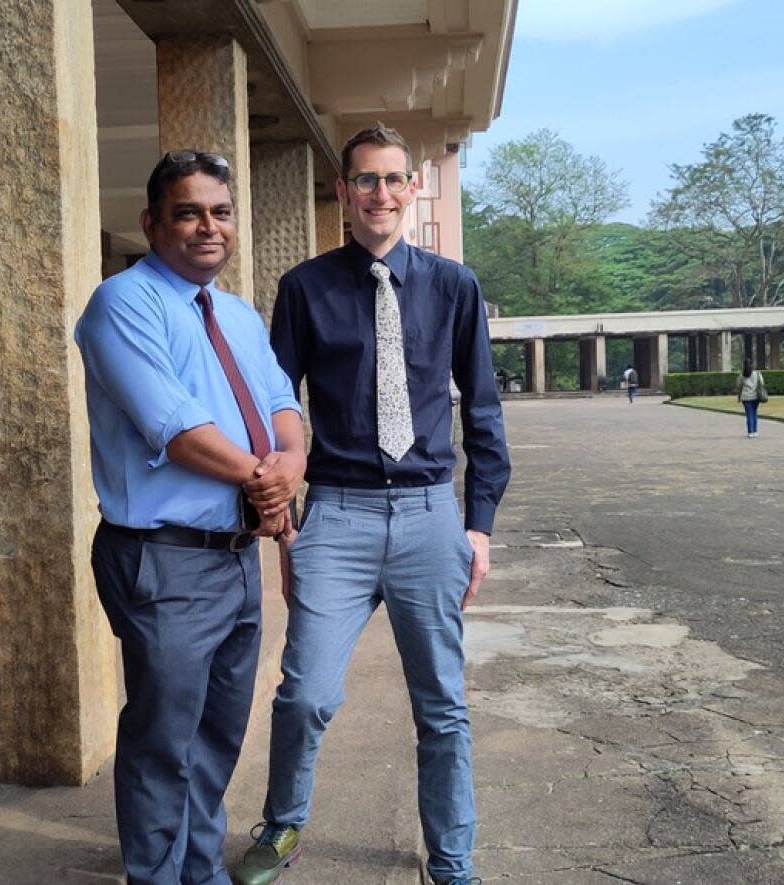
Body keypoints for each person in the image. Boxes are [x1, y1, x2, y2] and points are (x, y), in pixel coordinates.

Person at [231, 124, 510, 885]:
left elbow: (482, 414)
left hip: (428, 516)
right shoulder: (304, 288)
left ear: (413, 189)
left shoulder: (455, 287)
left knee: (443, 706)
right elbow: (271, 410)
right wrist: (283, 523)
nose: (379, 194)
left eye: (393, 180)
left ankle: (451, 860)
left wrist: (477, 528)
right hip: (338, 517)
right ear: (343, 192)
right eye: (365, 181)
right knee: (305, 695)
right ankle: (284, 824)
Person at [75, 150, 306, 884]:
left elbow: (282, 408)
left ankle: (199, 870)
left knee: (216, 737)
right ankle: (157, 876)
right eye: (189, 211)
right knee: (163, 740)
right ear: (152, 223)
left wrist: (288, 465)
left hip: (236, 557)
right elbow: (173, 426)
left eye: (221, 211)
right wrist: (263, 479)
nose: (209, 226)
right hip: (164, 557)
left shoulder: (236, 313)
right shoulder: (123, 304)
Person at [735, 359, 766, 438]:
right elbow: (762, 383)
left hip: (746, 397)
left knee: (749, 414)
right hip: (756, 397)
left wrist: (738, 397)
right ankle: (755, 431)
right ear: (752, 365)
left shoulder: (742, 375)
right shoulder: (757, 374)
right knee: (754, 413)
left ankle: (750, 432)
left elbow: (738, 386)